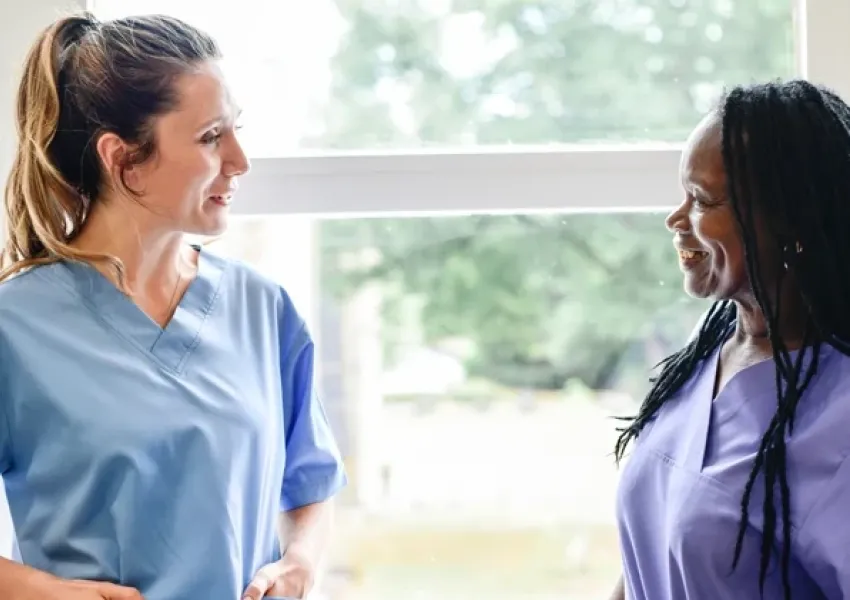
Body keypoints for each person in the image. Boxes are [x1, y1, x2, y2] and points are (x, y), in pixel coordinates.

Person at [0, 11, 346, 600]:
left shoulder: (261, 308)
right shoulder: (15, 329)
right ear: (123, 160)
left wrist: (301, 562)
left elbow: (310, 480)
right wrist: (44, 591)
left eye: (235, 129)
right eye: (211, 136)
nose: (240, 160)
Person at [611, 79, 850, 600]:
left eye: (700, 199)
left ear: (791, 223)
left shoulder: (840, 417)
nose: (675, 219)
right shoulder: (714, 341)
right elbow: (642, 562)